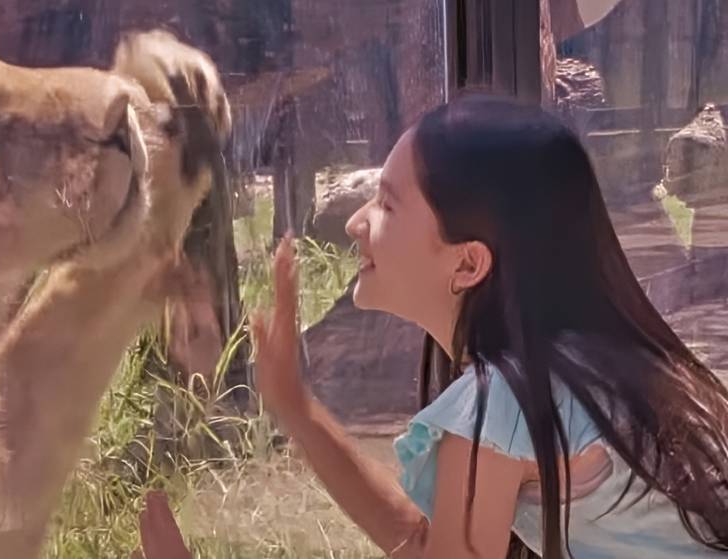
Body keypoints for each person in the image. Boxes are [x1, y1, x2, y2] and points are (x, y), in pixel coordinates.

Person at [135, 95, 728, 558]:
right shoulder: (572, 366)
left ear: (467, 262)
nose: (356, 224)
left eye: (388, 205)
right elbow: (428, 546)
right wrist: (295, 407)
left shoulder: (507, 399)